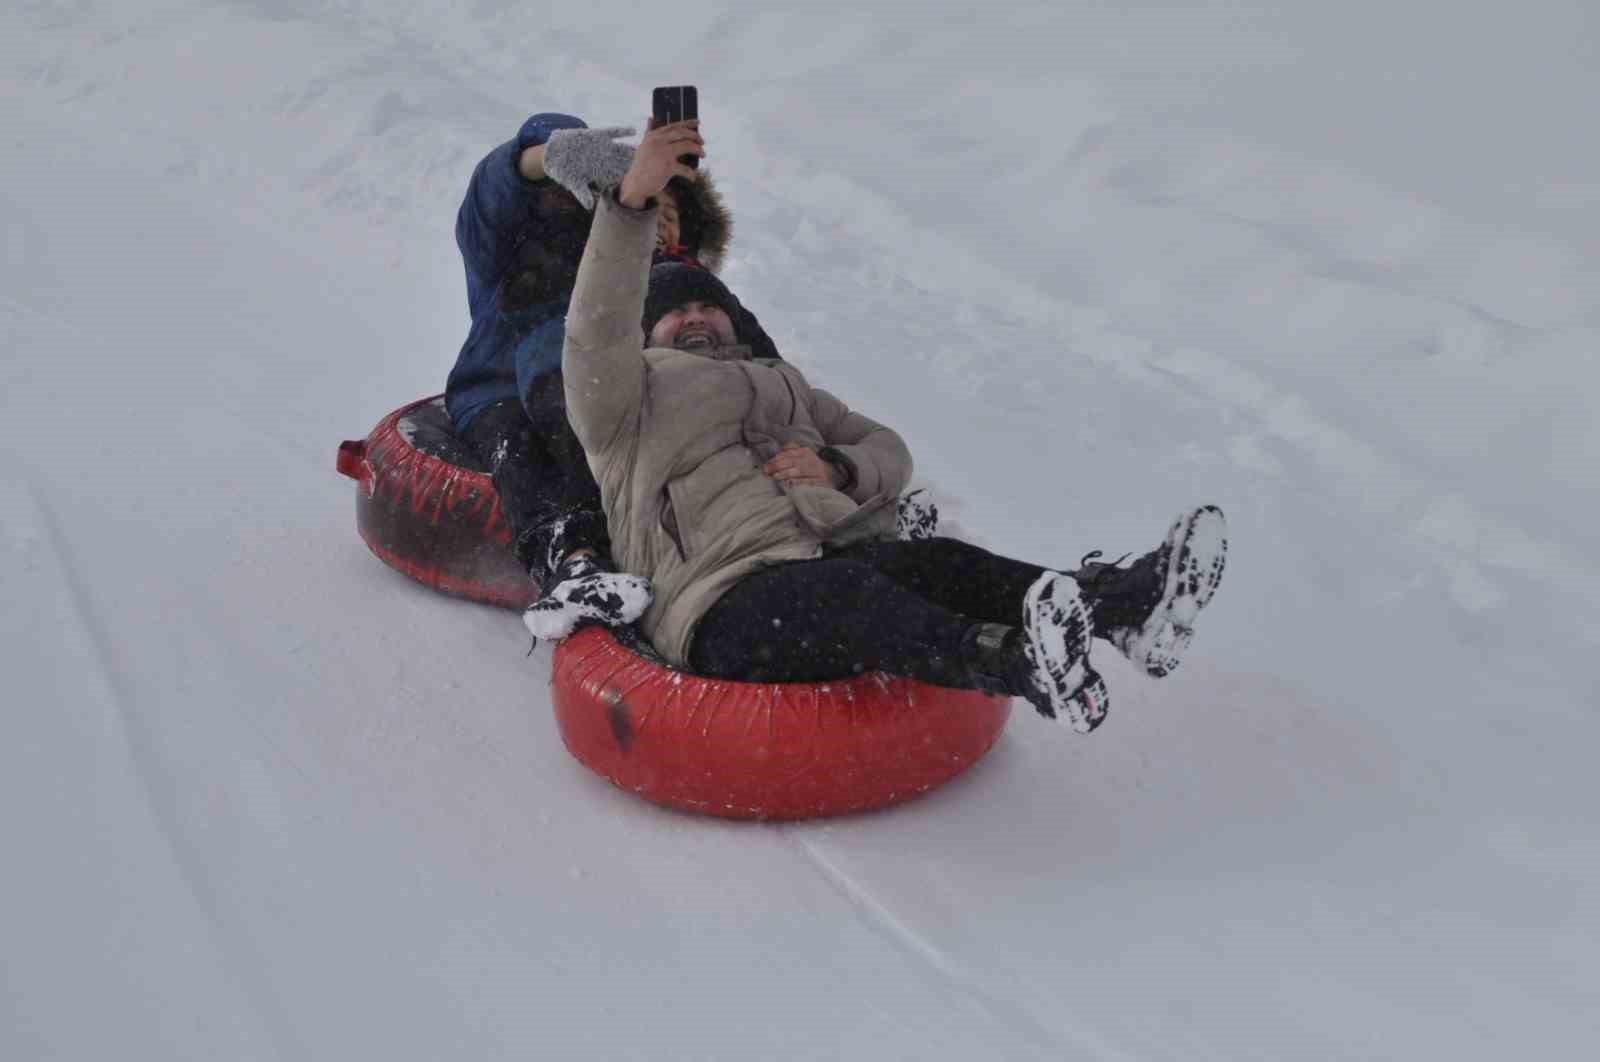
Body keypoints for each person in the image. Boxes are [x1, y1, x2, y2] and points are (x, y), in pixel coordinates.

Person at [557, 122, 1230, 732]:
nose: (698, 317)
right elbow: (595, 328)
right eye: (677, 313)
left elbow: (888, 449)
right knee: (848, 593)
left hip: (824, 556)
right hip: (719, 601)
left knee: (938, 563)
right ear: (648, 333)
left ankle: (1123, 607)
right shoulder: (624, 403)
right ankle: (1015, 663)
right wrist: (633, 203)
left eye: (710, 306)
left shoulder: (784, 382)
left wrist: (837, 467)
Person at [443, 112, 777, 641]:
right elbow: (490, 196)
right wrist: (542, 157)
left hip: (622, 395)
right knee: (536, 449)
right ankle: (570, 557)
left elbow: (765, 370)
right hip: (504, 390)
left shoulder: (652, 278)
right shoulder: (514, 255)